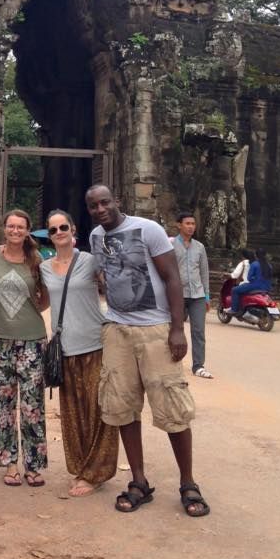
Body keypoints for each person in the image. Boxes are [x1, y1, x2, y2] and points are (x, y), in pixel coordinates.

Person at [85, 185, 210, 518]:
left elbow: (172, 278)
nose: (100, 209)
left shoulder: (148, 230)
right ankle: (139, 481)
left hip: (155, 328)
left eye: (105, 202)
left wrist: (176, 328)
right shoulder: (96, 237)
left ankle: (188, 482)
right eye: (93, 205)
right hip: (118, 329)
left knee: (172, 405)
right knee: (123, 405)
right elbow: (103, 278)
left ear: (117, 201)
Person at [39, 209, 118, 497]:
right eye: (53, 230)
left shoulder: (90, 260)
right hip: (65, 348)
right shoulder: (45, 268)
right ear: (48, 235)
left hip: (96, 343)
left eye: (63, 227)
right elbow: (40, 302)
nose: (59, 233)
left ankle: (97, 472)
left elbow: (116, 279)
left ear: (74, 230)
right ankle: (82, 467)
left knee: (99, 409)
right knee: (72, 413)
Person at [0, 209, 48, 487]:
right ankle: (10, 463)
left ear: (27, 230)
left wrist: (28, 312)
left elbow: (45, 297)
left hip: (32, 339)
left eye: (20, 227)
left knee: (32, 404)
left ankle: (33, 465)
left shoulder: (36, 259)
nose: (15, 231)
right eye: (11, 226)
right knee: (3, 404)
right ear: (4, 228)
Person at [171, 212, 213, 379]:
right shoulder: (171, 245)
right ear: (179, 225)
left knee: (198, 331)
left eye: (193, 224)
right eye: (187, 223)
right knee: (174, 329)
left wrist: (207, 296)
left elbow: (204, 273)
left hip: (197, 295)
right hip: (177, 295)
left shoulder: (199, 247)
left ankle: (199, 366)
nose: (191, 227)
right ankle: (172, 362)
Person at [230, 248, 273, 317]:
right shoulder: (269, 266)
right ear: (265, 255)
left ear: (256, 255)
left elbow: (249, 278)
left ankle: (234, 309)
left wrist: (254, 279)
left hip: (254, 286)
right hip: (267, 287)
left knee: (234, 290)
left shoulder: (255, 264)